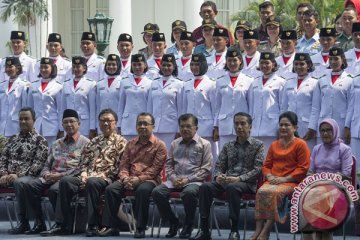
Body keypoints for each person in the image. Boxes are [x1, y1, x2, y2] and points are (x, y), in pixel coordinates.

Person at [44, 109, 127, 237]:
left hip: (106, 177)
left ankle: (92, 224)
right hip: (87, 176)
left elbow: (118, 166)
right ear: (98, 124)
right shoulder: (93, 142)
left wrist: (92, 176)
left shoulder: (121, 142)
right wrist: (83, 174)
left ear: (115, 123)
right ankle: (62, 224)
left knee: (92, 182)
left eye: (108, 121)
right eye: (102, 121)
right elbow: (84, 163)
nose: (105, 124)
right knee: (66, 181)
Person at [191, 112, 264, 240]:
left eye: (243, 123)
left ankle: (234, 230)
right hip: (226, 180)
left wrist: (239, 178)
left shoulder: (258, 145)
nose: (239, 127)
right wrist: (218, 176)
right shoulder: (228, 145)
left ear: (250, 126)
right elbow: (218, 166)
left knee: (233, 188)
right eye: (236, 123)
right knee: (205, 187)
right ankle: (204, 230)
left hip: (246, 183)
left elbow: (258, 170)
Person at [98, 112, 166, 238]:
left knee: (142, 190)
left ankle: (140, 227)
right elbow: (123, 165)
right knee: (111, 189)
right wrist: (124, 178)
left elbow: (156, 169)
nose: (142, 126)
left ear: (153, 126)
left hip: (150, 180)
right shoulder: (130, 144)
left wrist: (138, 179)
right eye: (139, 123)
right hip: (129, 178)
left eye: (146, 123)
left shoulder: (160, 145)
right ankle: (111, 226)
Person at [26, 109, 90, 236]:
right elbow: (46, 165)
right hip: (51, 177)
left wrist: (60, 176)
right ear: (62, 125)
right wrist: (46, 174)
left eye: (72, 121)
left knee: (56, 189)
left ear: (79, 123)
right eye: (66, 122)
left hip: (71, 178)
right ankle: (39, 222)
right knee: (30, 186)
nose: (69, 124)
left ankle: (61, 224)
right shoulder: (56, 143)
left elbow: (83, 166)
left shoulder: (86, 143)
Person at [250, 111, 311, 240]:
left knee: (275, 193)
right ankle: (258, 230)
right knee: (261, 191)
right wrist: (269, 176)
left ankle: (266, 231)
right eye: (281, 125)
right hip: (273, 180)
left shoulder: (301, 144)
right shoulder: (274, 145)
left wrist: (285, 178)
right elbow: (266, 166)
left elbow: (303, 168)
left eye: (287, 125)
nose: (283, 127)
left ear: (295, 127)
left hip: (292, 182)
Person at [152, 113, 212, 239]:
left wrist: (187, 180)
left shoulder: (205, 144)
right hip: (175, 180)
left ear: (196, 128)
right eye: (182, 126)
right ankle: (173, 221)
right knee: (157, 192)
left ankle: (188, 224)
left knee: (188, 193)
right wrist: (173, 178)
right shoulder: (174, 143)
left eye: (188, 126)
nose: (185, 129)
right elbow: (168, 165)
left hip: (194, 181)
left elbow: (206, 168)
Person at [0, 107, 48, 234]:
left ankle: (25, 222)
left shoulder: (40, 140)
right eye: (20, 119)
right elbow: (3, 158)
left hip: (30, 177)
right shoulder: (12, 139)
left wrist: (18, 175)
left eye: (26, 119)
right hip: (8, 176)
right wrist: (4, 173)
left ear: (34, 120)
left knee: (20, 182)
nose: (23, 122)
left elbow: (38, 164)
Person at [303, 118, 352, 240]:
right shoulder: (316, 148)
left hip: (336, 187)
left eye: (329, 130)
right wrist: (311, 180)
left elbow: (345, 173)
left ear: (335, 130)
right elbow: (311, 171)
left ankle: (322, 234)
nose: (325, 133)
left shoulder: (344, 149)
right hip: (316, 187)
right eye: (322, 130)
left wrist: (324, 181)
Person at [215, 48, 254, 151]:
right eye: (229, 60)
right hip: (225, 124)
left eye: (235, 60)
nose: (232, 63)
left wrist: (250, 125)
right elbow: (217, 106)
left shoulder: (249, 80)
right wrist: (216, 126)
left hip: (243, 125)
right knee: (225, 155)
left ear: (240, 61)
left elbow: (251, 105)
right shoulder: (220, 81)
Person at [311, 47, 352, 142]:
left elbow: (351, 107)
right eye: (331, 59)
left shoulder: (350, 80)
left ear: (343, 60)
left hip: (341, 124)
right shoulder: (322, 80)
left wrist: (347, 126)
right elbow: (316, 107)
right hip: (323, 123)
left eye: (336, 58)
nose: (333, 61)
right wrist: (312, 127)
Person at [249, 52, 286, 155]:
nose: (264, 66)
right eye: (261, 63)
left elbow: (283, 106)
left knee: (271, 156)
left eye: (267, 63)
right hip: (256, 126)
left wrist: (281, 126)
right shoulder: (254, 82)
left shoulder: (280, 82)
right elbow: (251, 106)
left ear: (273, 64)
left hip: (272, 126)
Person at [183, 53, 218, 160]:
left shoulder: (212, 84)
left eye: (197, 65)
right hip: (190, 128)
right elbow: (184, 108)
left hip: (207, 127)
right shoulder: (187, 84)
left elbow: (216, 108)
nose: (194, 67)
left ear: (203, 65)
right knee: (192, 157)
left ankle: (212, 177)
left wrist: (216, 127)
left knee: (210, 157)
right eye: (192, 64)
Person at [280, 53, 318, 150]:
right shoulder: (288, 82)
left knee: (307, 155)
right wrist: (282, 125)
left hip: (306, 126)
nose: (298, 67)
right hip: (290, 126)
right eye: (296, 64)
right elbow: (283, 107)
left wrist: (312, 127)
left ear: (308, 65)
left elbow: (316, 108)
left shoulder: (315, 83)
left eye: (302, 64)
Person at [147, 54, 183, 150]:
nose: (166, 68)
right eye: (164, 65)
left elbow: (181, 108)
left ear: (174, 67)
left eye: (169, 65)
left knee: (168, 155)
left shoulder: (179, 84)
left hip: (170, 127)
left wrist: (179, 129)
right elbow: (149, 107)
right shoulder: (154, 83)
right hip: (155, 126)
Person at [28, 58, 63, 147]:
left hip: (51, 125)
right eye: (41, 67)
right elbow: (29, 108)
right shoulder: (33, 85)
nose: (43, 70)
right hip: (36, 125)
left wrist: (61, 128)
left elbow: (60, 109)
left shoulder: (58, 86)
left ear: (52, 68)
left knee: (50, 151)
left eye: (46, 67)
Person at [118, 54, 152, 141]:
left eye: (140, 64)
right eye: (134, 64)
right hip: (128, 122)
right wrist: (119, 125)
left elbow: (150, 106)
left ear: (145, 65)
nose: (137, 67)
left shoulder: (150, 83)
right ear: (131, 66)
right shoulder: (124, 82)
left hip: (143, 123)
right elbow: (121, 105)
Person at [62, 56, 96, 139]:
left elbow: (92, 108)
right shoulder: (66, 84)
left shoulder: (91, 84)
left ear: (84, 68)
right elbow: (62, 107)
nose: (76, 69)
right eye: (74, 67)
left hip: (84, 123)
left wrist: (92, 128)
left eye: (78, 67)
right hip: (69, 123)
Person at [0, 57, 30, 137]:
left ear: (17, 68)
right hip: (2, 126)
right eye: (6, 67)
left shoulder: (24, 85)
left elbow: (25, 107)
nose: (8, 69)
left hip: (15, 126)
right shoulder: (1, 85)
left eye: (11, 67)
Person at [95, 54, 122, 132]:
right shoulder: (99, 83)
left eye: (114, 64)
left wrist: (120, 125)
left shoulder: (122, 82)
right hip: (102, 121)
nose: (111, 67)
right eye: (109, 64)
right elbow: (98, 105)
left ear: (118, 66)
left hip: (116, 121)